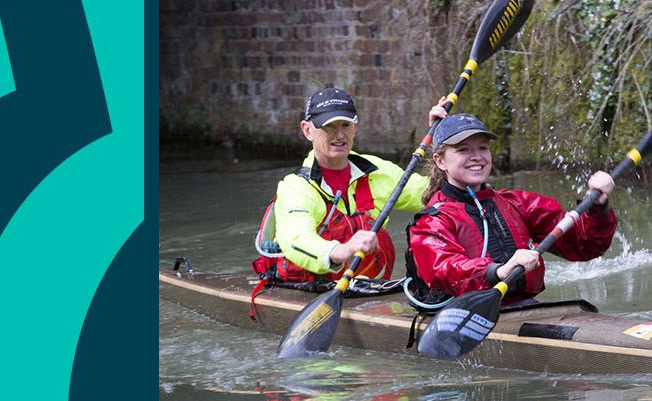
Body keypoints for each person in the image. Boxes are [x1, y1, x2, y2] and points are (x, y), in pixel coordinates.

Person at [406, 111, 618, 306]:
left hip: (522, 309)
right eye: (463, 150)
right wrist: (498, 271)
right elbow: (443, 270)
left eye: (482, 147)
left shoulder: (516, 203)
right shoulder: (432, 220)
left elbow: (586, 244)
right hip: (463, 312)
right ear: (440, 161)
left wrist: (597, 207)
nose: (477, 156)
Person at [258, 88, 447, 283]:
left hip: (365, 288)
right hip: (309, 289)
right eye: (329, 126)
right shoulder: (295, 188)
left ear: (354, 127)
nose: (340, 135)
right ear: (307, 130)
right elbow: (296, 239)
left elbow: (434, 195)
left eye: (346, 125)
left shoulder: (378, 171)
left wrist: (442, 142)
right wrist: (341, 251)